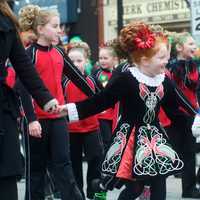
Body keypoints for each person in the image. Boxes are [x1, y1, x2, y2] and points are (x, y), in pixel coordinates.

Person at [59, 21, 200, 200]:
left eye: (167, 56)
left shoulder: (164, 81)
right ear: (144, 60)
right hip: (131, 139)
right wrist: (71, 110)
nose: (166, 60)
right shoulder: (127, 78)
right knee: (134, 188)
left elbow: (175, 111)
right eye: (161, 57)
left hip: (154, 140)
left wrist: (195, 121)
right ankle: (102, 185)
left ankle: (105, 184)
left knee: (159, 182)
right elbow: (101, 101)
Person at [17, 5, 95, 200]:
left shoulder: (59, 53)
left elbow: (79, 79)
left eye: (59, 25)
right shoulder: (29, 54)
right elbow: (23, 88)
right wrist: (32, 119)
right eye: (55, 26)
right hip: (36, 122)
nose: (60, 30)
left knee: (63, 165)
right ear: (41, 29)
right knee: (36, 171)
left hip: (58, 117)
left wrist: (103, 97)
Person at [0, 1, 60, 200]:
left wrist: (44, 97)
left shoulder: (7, 21)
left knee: (7, 172)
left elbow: (23, 66)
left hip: (3, 106)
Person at [64, 42, 104, 199]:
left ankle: (96, 194)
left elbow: (105, 96)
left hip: (92, 128)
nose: (75, 64)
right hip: (71, 130)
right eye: (71, 61)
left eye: (79, 61)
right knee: (74, 165)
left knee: (96, 161)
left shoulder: (93, 81)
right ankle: (77, 194)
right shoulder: (64, 82)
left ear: (86, 61)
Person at [166, 32, 200, 198]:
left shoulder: (194, 66)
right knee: (173, 152)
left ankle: (190, 188)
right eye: (191, 44)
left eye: (195, 44)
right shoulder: (172, 68)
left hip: (193, 115)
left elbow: (196, 90)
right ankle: (146, 184)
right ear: (179, 48)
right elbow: (172, 94)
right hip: (177, 116)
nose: (194, 47)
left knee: (190, 153)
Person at [92, 43, 118, 150]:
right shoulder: (97, 74)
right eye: (100, 58)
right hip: (103, 115)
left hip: (115, 114)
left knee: (116, 140)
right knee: (106, 141)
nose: (102, 61)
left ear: (114, 59)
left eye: (105, 58)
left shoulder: (118, 73)